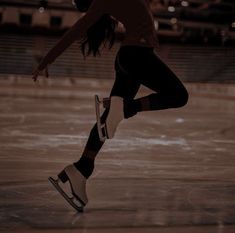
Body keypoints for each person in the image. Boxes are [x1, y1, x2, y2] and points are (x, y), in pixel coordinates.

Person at [32, 0, 188, 211]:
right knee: (178, 96)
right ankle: (126, 108)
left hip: (130, 57)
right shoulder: (102, 1)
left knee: (108, 118)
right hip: (137, 55)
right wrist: (45, 61)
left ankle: (81, 168)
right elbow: (75, 31)